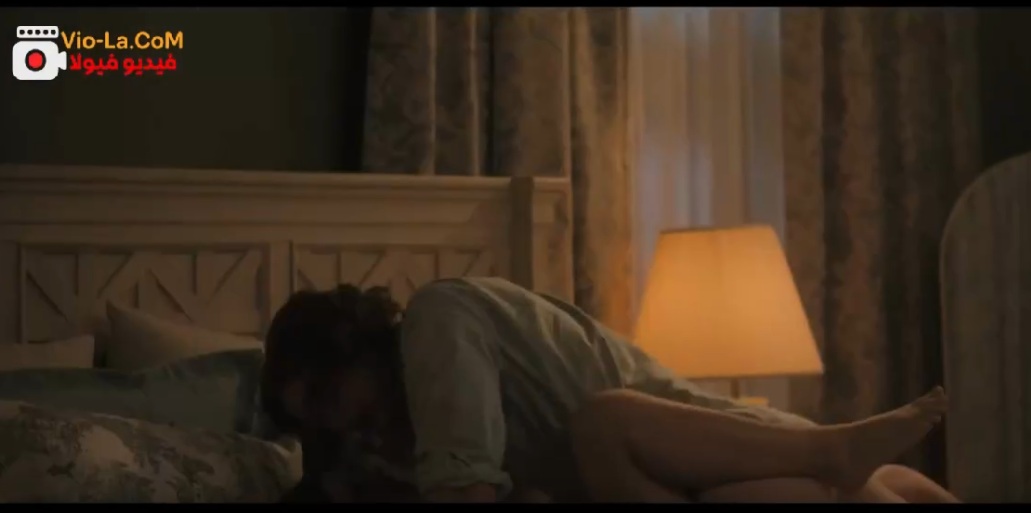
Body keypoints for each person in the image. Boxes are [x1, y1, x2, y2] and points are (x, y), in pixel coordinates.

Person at [260, 277, 959, 503]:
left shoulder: (435, 323)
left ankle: (830, 453)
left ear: (354, 350)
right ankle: (842, 458)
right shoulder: (391, 444)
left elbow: (465, 486)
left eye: (326, 397)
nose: (340, 426)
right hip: (660, 482)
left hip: (695, 455)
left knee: (603, 420)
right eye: (317, 422)